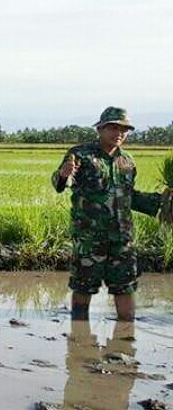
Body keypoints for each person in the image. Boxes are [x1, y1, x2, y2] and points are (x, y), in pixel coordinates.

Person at [52, 107, 166, 321]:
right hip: (89, 237)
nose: (119, 133)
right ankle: (79, 333)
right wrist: (63, 174)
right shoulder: (80, 155)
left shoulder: (127, 161)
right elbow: (60, 183)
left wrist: (162, 203)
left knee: (125, 286)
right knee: (83, 286)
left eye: (124, 129)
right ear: (100, 128)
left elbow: (128, 196)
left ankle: (126, 334)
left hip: (122, 238)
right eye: (114, 128)